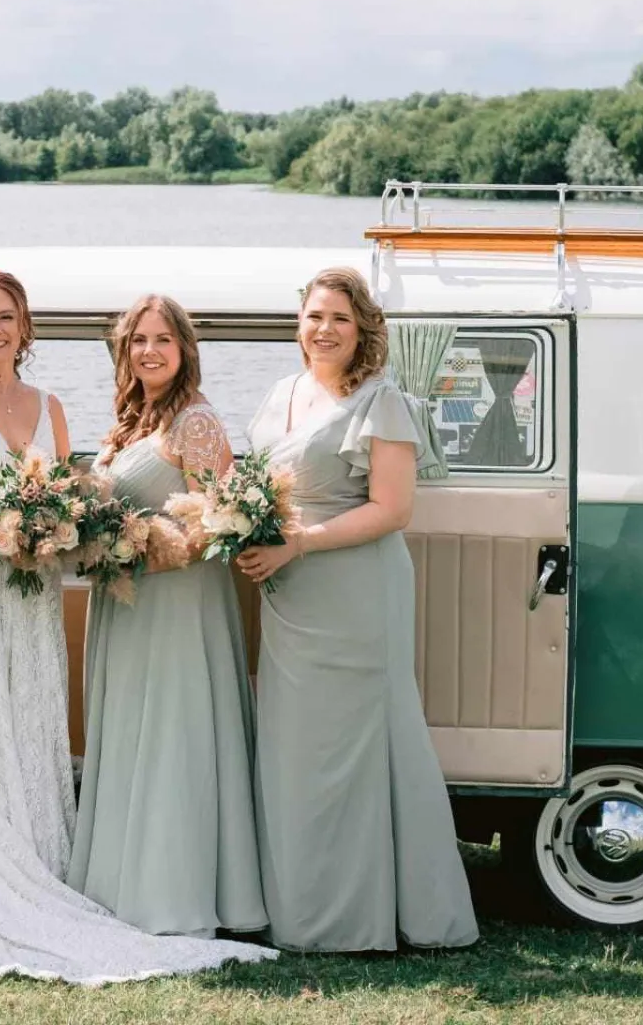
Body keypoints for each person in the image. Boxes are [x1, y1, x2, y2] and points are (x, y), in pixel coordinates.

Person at [0, 271, 275, 984]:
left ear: (25, 326)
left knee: (33, 733)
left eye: (7, 317)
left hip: (32, 593)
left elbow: (76, 502)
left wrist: (58, 529)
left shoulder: (52, 407)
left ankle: (44, 874)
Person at [237, 266, 478, 952]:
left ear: (363, 327)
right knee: (297, 750)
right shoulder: (282, 392)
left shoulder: (382, 400)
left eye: (340, 318)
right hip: (289, 593)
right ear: (299, 322)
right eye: (315, 316)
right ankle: (301, 911)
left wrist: (300, 543)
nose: (324, 329)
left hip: (354, 590)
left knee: (356, 748)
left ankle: (372, 915)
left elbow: (393, 508)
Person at [68, 294, 266, 938]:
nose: (149, 350)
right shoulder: (133, 419)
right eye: (137, 341)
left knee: (175, 733)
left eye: (162, 339)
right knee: (132, 731)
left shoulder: (196, 422)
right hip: (129, 602)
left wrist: (140, 556)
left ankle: (176, 891)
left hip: (178, 602)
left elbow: (218, 524)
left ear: (184, 349)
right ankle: (124, 882)